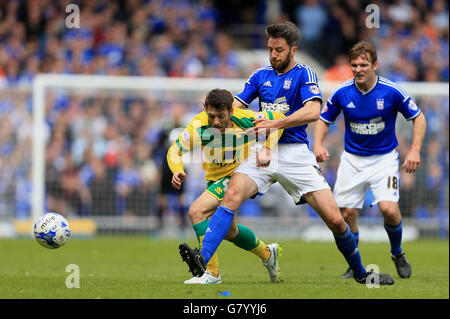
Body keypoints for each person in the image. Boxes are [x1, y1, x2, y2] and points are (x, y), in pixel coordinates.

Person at [179, 22, 395, 285]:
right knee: (232, 195)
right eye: (270, 49)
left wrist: (277, 123)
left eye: (278, 50)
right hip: (261, 151)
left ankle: (361, 274)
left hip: (294, 154)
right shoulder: (260, 76)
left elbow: (314, 112)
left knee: (337, 221)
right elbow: (235, 106)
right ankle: (205, 265)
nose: (273, 55)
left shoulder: (305, 74)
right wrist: (216, 106)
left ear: (293, 50)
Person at [313, 41, 427, 279]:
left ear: (375, 65)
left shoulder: (391, 91)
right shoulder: (342, 92)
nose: (358, 69)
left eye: (363, 64)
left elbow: (419, 118)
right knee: (346, 215)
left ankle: (397, 252)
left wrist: (415, 150)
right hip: (352, 160)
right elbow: (324, 119)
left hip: (384, 159)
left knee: (388, 209)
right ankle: (354, 263)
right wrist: (318, 144)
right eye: (354, 64)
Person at [168, 88, 285, 284]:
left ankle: (211, 273)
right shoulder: (198, 124)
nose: (216, 122)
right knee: (230, 232)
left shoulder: (246, 118)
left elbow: (279, 120)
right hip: (215, 179)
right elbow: (175, 150)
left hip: (240, 175)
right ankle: (267, 253)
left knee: (196, 211)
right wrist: (177, 169)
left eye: (221, 116)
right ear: (205, 109)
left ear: (231, 111)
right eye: (211, 116)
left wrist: (267, 149)